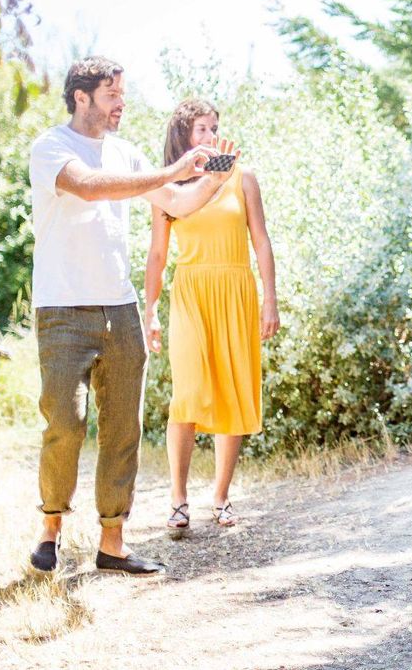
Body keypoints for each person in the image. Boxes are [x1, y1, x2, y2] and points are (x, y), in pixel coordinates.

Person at [29, 56, 234, 575]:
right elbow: (91, 186)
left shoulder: (128, 151)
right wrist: (172, 170)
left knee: (123, 429)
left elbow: (179, 203)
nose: (122, 104)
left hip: (119, 309)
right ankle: (51, 527)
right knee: (67, 425)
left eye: (123, 94)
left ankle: (112, 544)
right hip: (62, 307)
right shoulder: (51, 146)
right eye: (112, 94)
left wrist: (213, 175)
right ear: (82, 97)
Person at [144, 99, 278, 533]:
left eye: (214, 127)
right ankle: (178, 498)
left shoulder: (244, 177)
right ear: (183, 136)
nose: (209, 135)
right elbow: (158, 254)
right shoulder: (169, 189)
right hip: (191, 292)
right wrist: (150, 311)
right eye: (200, 129)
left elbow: (261, 241)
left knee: (233, 389)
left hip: (237, 290)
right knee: (188, 391)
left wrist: (270, 299)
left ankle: (220, 496)